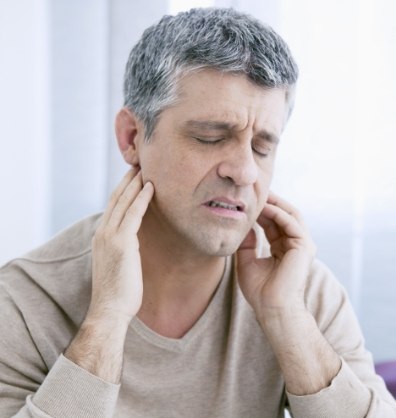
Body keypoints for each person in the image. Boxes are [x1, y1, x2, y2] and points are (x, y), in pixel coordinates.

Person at [0, 7, 395, 418]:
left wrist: (286, 318)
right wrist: (108, 319)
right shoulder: (24, 303)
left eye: (262, 147)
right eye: (210, 137)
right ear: (133, 138)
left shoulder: (301, 290)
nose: (244, 171)